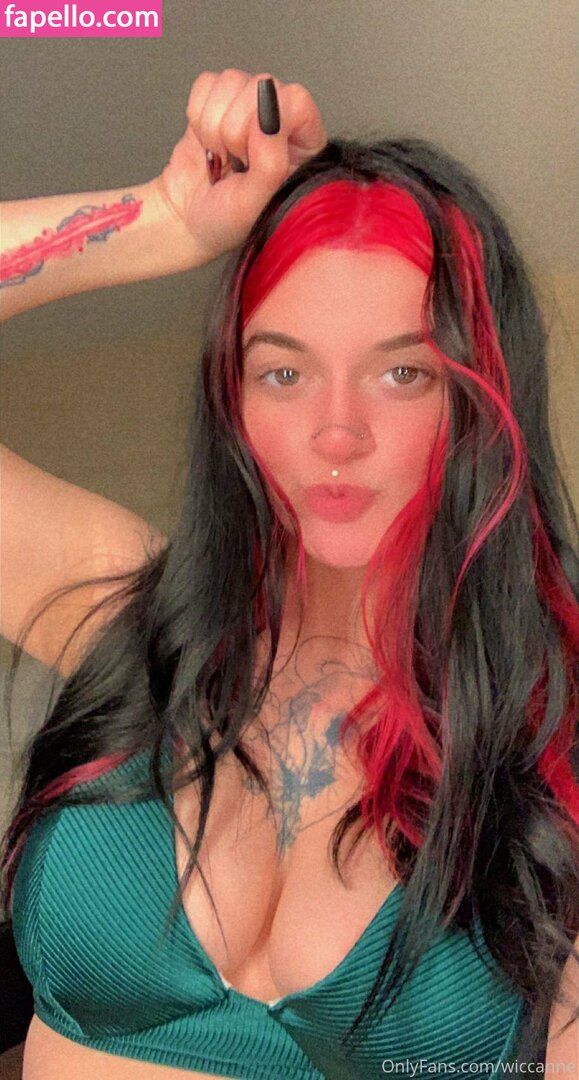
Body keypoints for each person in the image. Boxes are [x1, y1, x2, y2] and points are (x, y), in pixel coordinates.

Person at [0, 69, 577, 1080]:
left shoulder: (548, 731)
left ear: (480, 402)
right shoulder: (126, 616)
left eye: (402, 372)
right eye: (283, 370)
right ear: (233, 400)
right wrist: (164, 218)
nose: (335, 431)